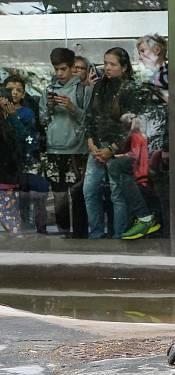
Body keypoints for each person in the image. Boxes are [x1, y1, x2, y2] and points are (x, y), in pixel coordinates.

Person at [84, 47, 157, 240]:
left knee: (118, 194)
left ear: (124, 67)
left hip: (117, 148)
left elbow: (132, 126)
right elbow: (90, 116)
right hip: (97, 145)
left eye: (112, 64)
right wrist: (90, 141)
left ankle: (118, 235)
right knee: (90, 191)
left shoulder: (130, 88)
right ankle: (96, 234)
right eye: (105, 63)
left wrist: (112, 149)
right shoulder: (100, 87)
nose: (107, 68)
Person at [44, 47, 90, 238]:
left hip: (77, 149)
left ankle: (80, 234)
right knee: (59, 196)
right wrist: (48, 108)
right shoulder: (49, 89)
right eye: (56, 69)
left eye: (63, 69)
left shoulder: (83, 90)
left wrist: (73, 108)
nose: (60, 73)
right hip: (53, 148)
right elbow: (42, 120)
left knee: (78, 195)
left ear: (73, 68)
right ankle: (64, 232)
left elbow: (89, 120)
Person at [4, 75, 45, 234]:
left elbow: (30, 140)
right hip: (5, 164)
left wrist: (14, 118)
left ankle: (32, 230)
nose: (13, 93)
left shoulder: (27, 114)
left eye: (18, 90)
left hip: (22, 163)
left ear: (23, 94)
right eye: (9, 90)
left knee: (27, 198)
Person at [136, 34, 169, 153]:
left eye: (143, 51)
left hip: (164, 136)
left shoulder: (169, 72)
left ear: (157, 50)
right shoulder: (145, 76)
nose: (140, 57)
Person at [0, 95, 21, 236]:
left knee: (11, 220)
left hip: (6, 175)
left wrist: (13, 117)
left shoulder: (10, 121)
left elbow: (25, 141)